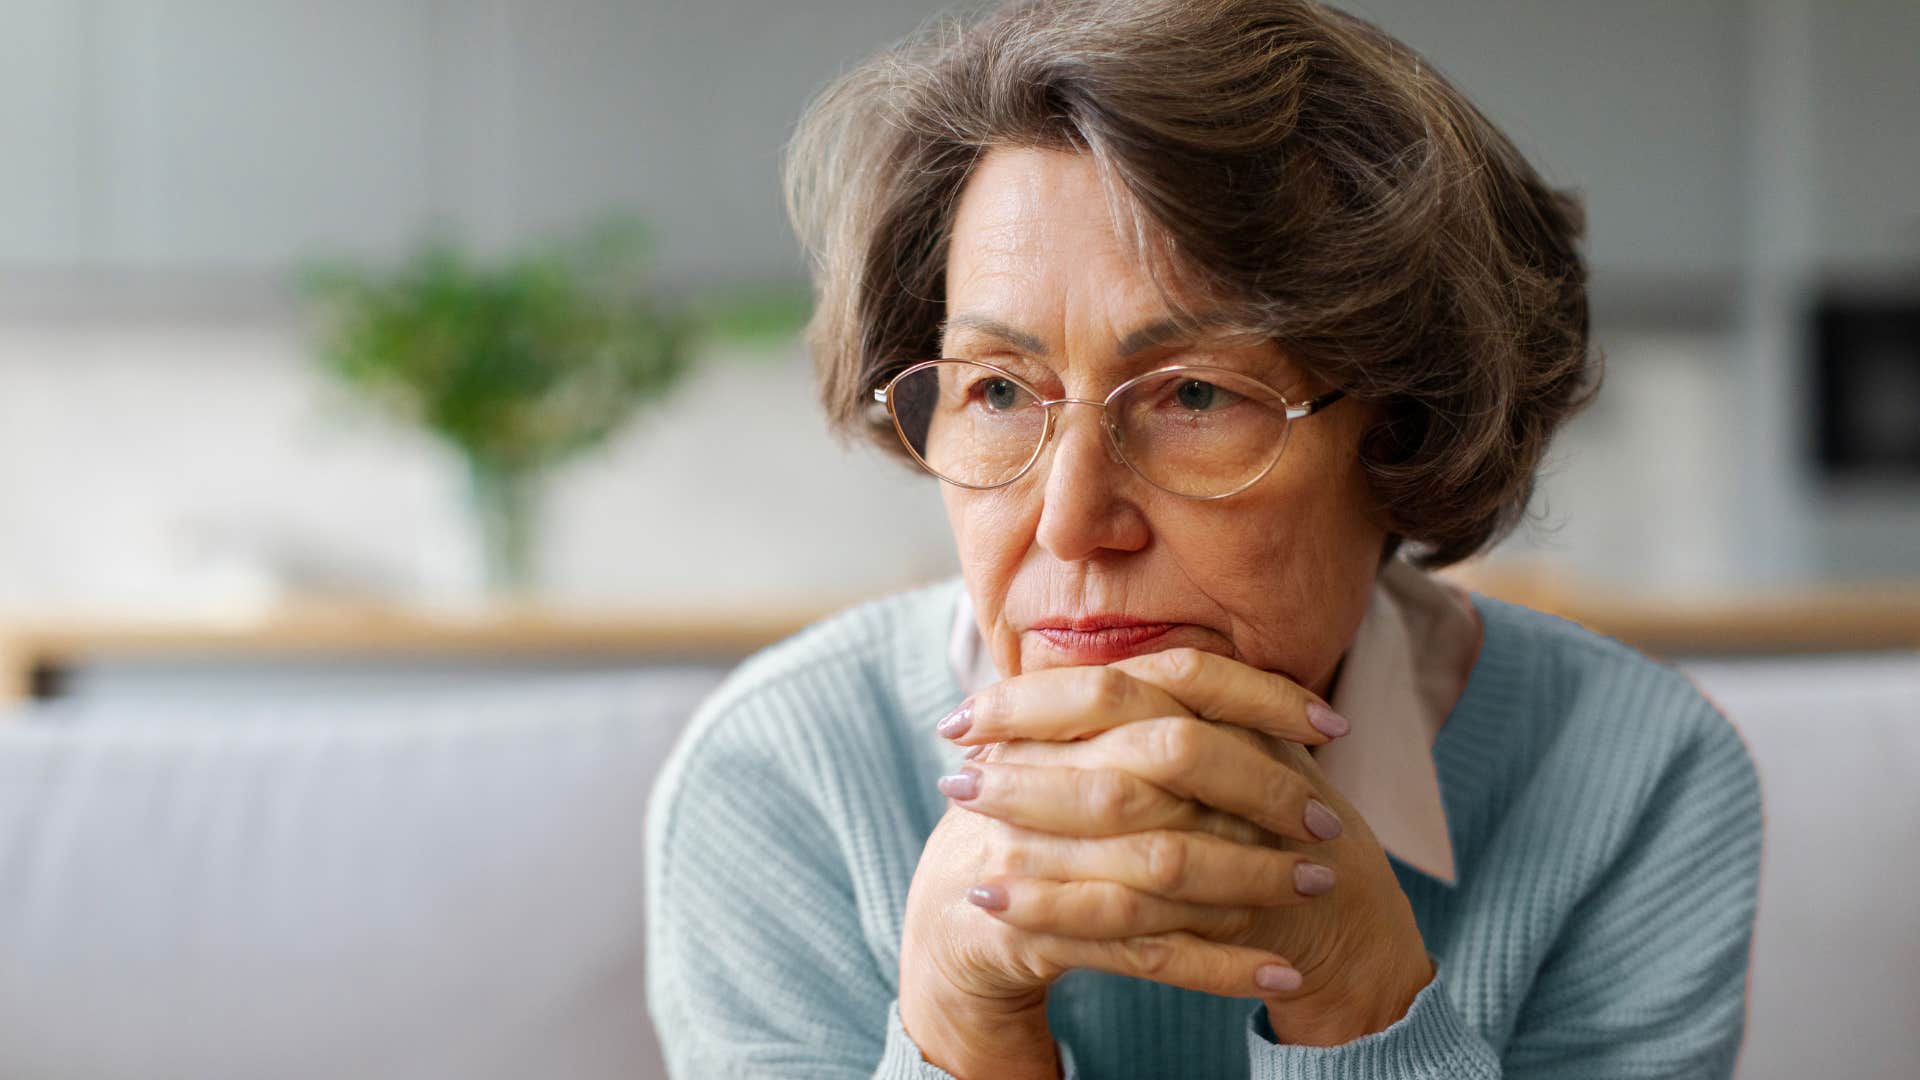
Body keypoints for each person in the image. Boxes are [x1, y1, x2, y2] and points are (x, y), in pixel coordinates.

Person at [644, 1, 1763, 1076]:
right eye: (996, 390)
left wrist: (1362, 1002)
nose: (1073, 521)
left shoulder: (1631, 779)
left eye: (1192, 397)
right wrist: (958, 1031)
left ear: (1404, 429)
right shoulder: (780, 780)